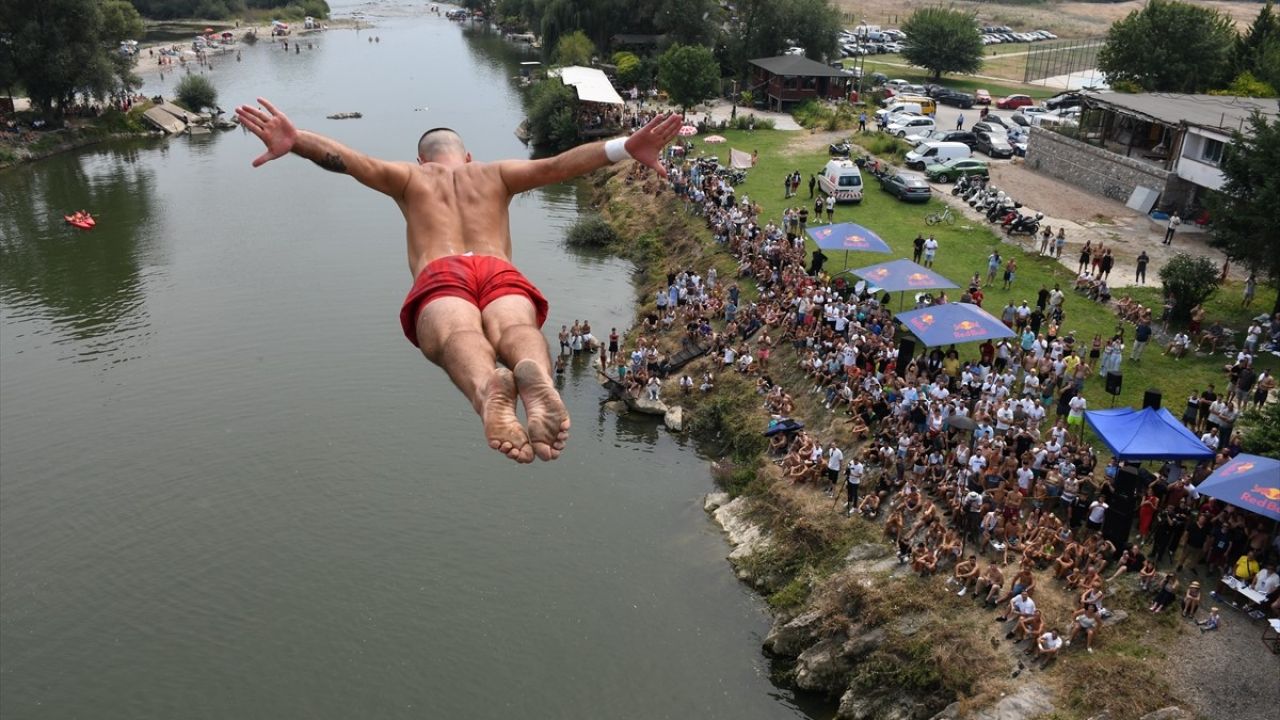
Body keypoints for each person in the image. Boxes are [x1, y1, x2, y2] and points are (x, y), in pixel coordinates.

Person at [235, 98, 680, 463]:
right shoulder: (494, 172)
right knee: (517, 330)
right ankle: (532, 373)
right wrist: (626, 145)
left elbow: (350, 162)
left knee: (454, 336)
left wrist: (297, 142)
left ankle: (489, 389)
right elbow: (559, 166)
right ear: (467, 156)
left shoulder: (409, 177)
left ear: (421, 159)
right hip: (496, 267)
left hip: (443, 271)